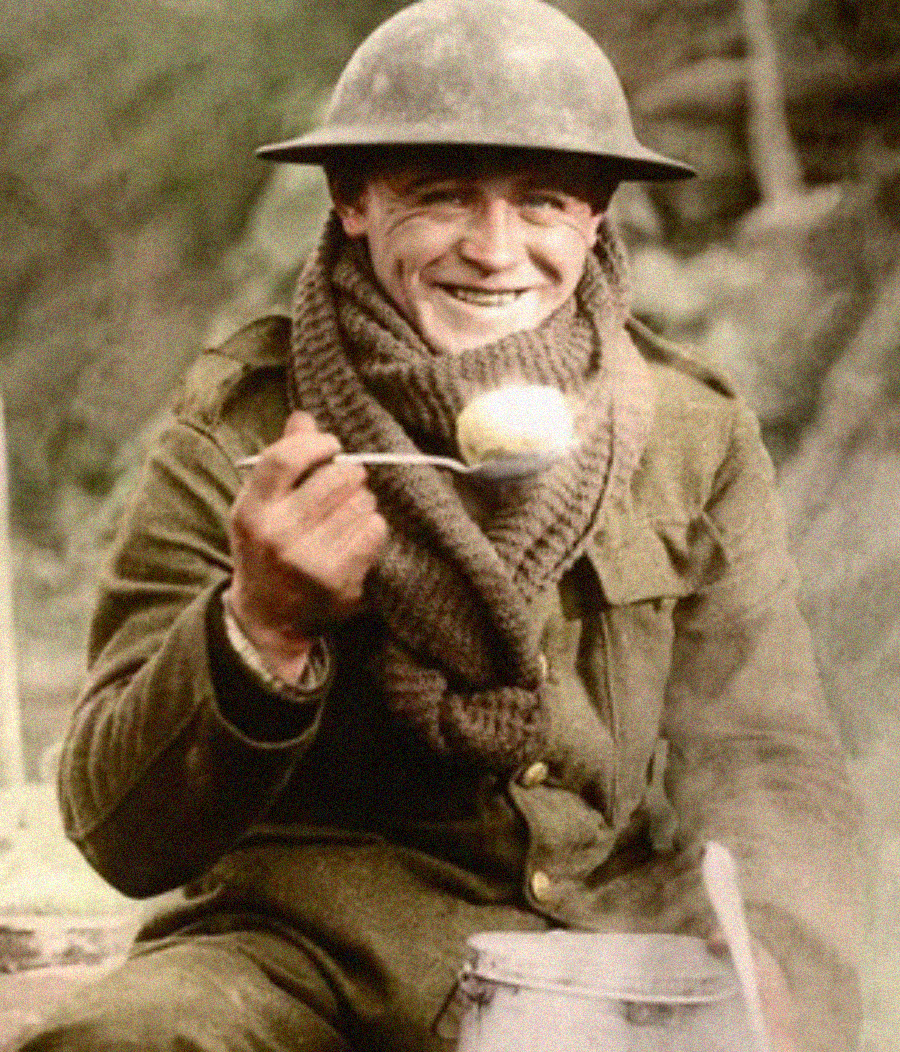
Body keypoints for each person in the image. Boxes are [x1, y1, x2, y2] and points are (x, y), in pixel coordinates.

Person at [21, 1, 864, 1050]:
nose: (495, 249)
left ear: (597, 215)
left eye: (543, 201)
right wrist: (260, 629)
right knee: (123, 1040)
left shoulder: (693, 432)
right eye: (442, 195)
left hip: (598, 952)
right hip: (301, 956)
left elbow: (768, 752)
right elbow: (116, 831)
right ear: (354, 200)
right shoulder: (243, 421)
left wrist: (785, 950)